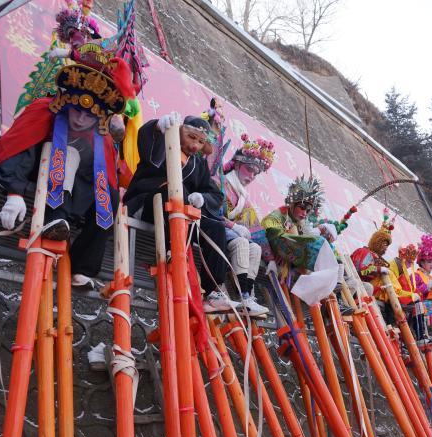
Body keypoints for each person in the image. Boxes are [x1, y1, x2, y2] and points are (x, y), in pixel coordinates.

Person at [0, 52, 135, 287]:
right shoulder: (46, 109)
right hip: (36, 173)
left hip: (73, 190)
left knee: (109, 195)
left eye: (89, 115)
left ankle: (82, 266)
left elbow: (104, 179)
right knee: (69, 154)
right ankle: (56, 219)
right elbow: (20, 146)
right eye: (77, 110)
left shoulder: (100, 136)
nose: (81, 120)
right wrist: (14, 192)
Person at [124, 111, 239, 313]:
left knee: (215, 228)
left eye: (201, 141)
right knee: (175, 189)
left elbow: (215, 194)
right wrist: (157, 127)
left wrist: (202, 198)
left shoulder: (199, 163)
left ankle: (212, 291)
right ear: (179, 132)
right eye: (191, 137)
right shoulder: (163, 142)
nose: (195, 145)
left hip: (182, 217)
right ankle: (173, 253)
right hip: (149, 204)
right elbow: (145, 140)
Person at [212, 130, 272, 316]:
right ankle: (239, 293)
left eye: (256, 173)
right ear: (237, 164)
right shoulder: (218, 182)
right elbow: (211, 211)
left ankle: (246, 296)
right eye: (249, 169)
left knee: (255, 248)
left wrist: (270, 259)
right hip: (212, 230)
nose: (252, 176)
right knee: (242, 242)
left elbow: (255, 229)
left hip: (228, 236)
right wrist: (232, 226)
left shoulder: (243, 197)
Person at [260, 174, 340, 306]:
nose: (305, 213)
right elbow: (269, 231)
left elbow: (306, 238)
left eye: (308, 210)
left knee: (331, 255)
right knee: (319, 246)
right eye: (302, 207)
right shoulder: (277, 215)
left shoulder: (302, 224)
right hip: (278, 265)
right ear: (292, 204)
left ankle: (328, 297)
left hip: (296, 268)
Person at [350, 210, 419, 308]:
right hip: (355, 283)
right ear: (377, 241)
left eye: (388, 245)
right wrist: (379, 269)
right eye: (385, 244)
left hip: (362, 286)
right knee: (369, 288)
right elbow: (362, 271)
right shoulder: (366, 252)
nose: (386, 248)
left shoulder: (375, 257)